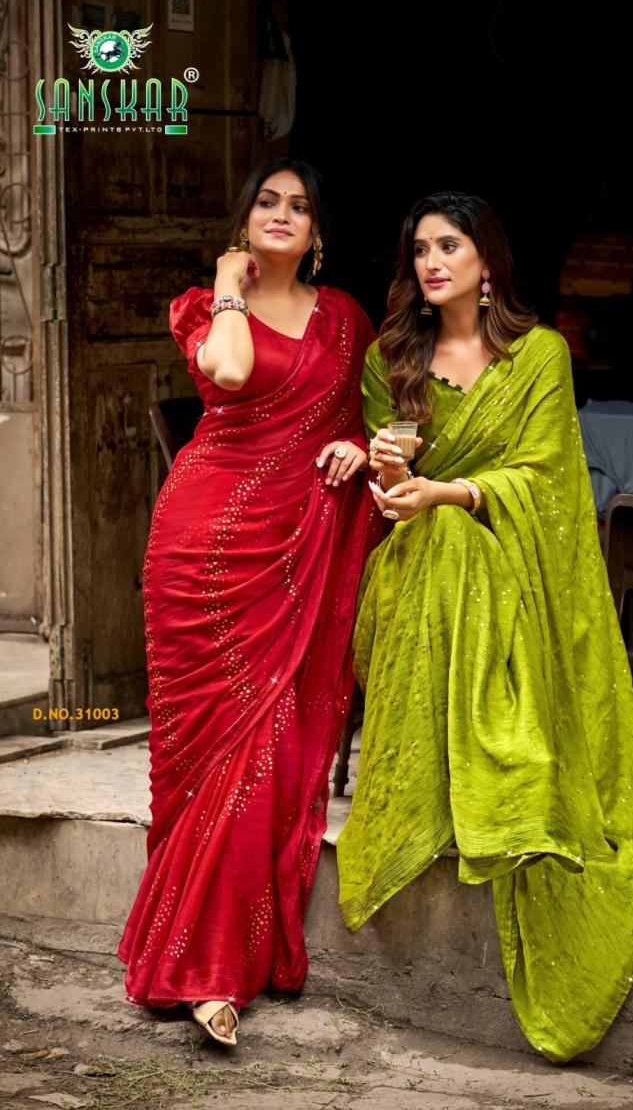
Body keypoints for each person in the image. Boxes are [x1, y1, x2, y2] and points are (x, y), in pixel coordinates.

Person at [335, 190, 633, 1063]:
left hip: (519, 571)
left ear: (487, 261)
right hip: (417, 567)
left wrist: (450, 492)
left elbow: (549, 479)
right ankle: (490, 772)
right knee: (442, 543)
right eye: (420, 250)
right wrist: (391, 470)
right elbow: (390, 497)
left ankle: (490, 774)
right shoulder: (390, 360)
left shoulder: (538, 355)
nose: (432, 262)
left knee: (456, 538)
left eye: (450, 246)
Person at [117, 157, 381, 1046]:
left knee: (265, 750)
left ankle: (215, 968)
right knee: (197, 765)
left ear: (317, 233)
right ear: (242, 222)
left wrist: (358, 448)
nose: (281, 214)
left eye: (299, 207)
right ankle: (201, 966)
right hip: (198, 552)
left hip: (289, 557)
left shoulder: (344, 320)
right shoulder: (203, 308)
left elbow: (369, 418)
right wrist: (231, 282)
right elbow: (228, 374)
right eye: (266, 202)